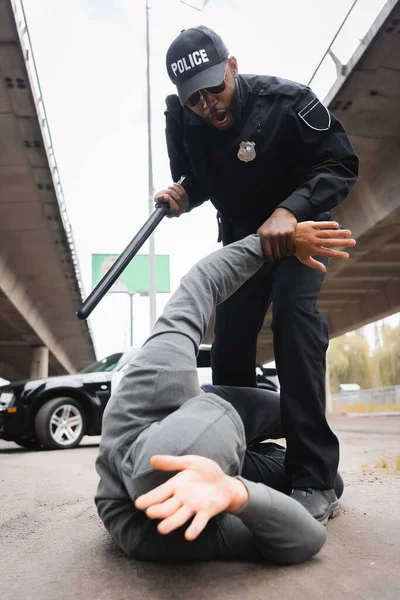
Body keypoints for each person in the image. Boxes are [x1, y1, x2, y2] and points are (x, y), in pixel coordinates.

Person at [155, 25, 359, 521]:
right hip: (242, 242)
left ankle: (314, 477)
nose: (209, 106)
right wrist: (183, 196)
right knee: (228, 347)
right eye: (195, 100)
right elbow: (196, 178)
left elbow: (341, 162)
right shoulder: (184, 120)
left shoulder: (288, 102)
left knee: (294, 319)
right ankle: (243, 463)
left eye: (214, 91)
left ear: (232, 67)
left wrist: (292, 209)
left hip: (303, 231)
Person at [95, 224, 355, 563]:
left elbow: (201, 281)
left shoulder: (154, 378)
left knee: (291, 411)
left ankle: (245, 426)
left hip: (220, 404)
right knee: (330, 481)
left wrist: (272, 243)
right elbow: (308, 538)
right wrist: (239, 495)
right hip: (218, 463)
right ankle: (252, 459)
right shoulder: (156, 532)